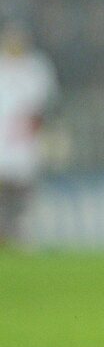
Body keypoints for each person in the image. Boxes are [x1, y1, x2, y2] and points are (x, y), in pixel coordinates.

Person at [0, 22, 59, 246]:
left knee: (22, 195)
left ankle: (16, 235)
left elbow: (42, 108)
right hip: (5, 145)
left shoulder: (36, 67)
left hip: (24, 146)